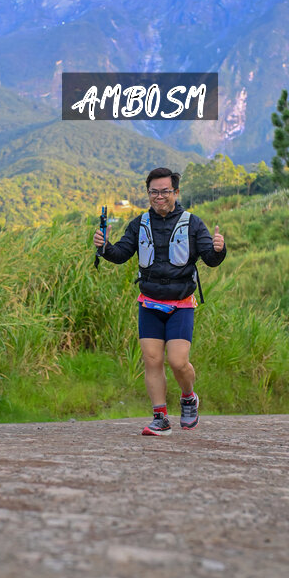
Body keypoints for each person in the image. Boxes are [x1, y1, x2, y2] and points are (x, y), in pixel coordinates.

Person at [93, 167, 226, 437]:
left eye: (165, 191)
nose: (159, 197)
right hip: (150, 302)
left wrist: (219, 249)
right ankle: (160, 418)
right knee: (152, 360)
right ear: (148, 193)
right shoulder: (139, 224)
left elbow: (210, 260)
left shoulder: (193, 223)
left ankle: (188, 397)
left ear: (176, 192)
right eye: (154, 192)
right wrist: (104, 247)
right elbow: (122, 253)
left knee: (178, 362)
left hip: (181, 303)